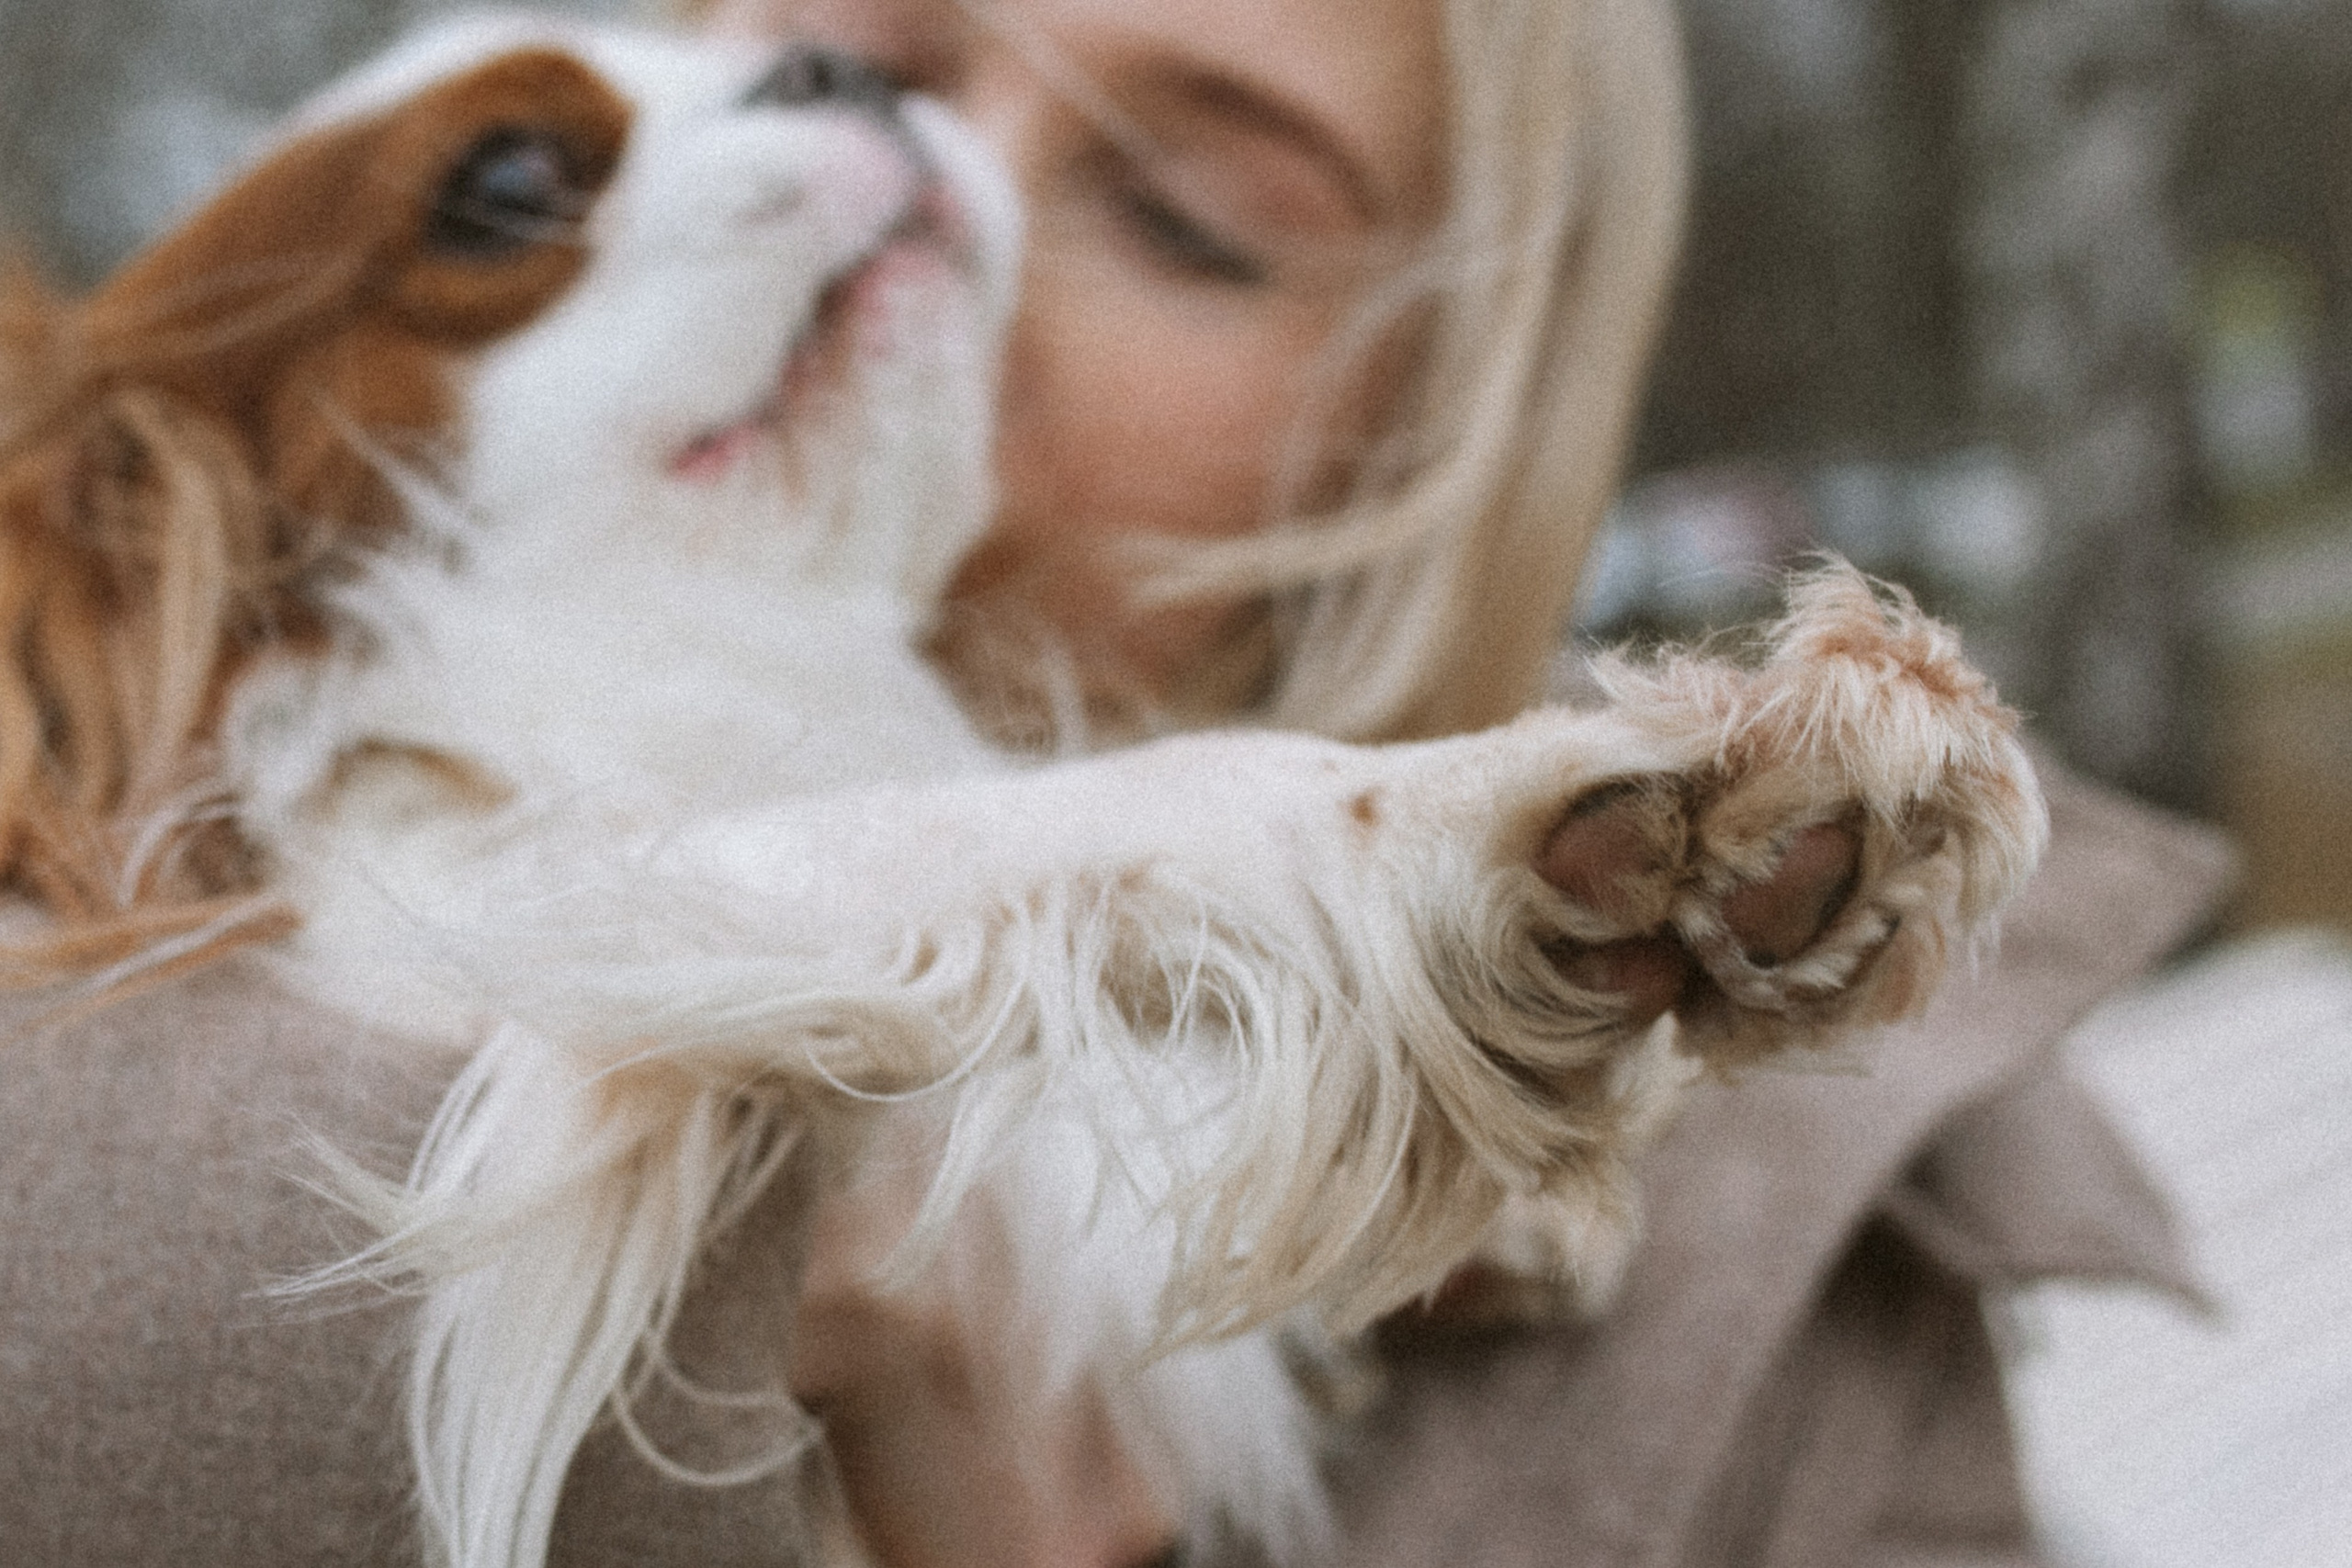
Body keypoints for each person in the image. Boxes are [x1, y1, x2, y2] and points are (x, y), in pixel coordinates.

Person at [0, 0, 2229, 1565]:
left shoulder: (1824, 1354)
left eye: (1178, 210)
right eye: (861, 61)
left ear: (1413, 441)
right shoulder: (153, 757)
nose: (930, 163)